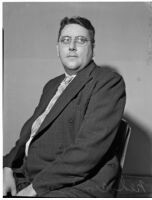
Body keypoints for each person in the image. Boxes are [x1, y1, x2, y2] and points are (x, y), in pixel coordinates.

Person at [3, 16, 126, 197]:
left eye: (81, 40)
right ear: (57, 48)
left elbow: (88, 151)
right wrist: (7, 167)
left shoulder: (107, 81)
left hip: (74, 184)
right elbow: (30, 133)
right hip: (29, 173)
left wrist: (35, 188)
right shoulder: (52, 85)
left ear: (92, 47)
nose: (72, 46)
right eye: (65, 40)